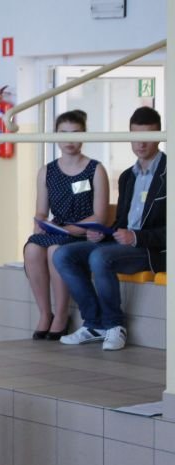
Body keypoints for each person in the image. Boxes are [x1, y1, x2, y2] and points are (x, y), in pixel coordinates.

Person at [53, 106, 166, 351]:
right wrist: (103, 232)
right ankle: (94, 324)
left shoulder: (170, 173)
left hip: (152, 249)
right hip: (122, 243)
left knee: (100, 257)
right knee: (63, 255)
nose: (141, 144)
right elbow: (123, 221)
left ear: (160, 136)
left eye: (148, 137)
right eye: (136, 137)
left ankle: (114, 325)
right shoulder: (127, 177)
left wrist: (136, 237)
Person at [24, 110, 109, 340]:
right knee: (32, 248)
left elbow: (99, 217)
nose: (69, 139)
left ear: (85, 135)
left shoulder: (95, 169)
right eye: (63, 133)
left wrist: (69, 229)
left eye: (75, 133)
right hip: (57, 229)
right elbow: (41, 211)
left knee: (55, 249)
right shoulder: (47, 171)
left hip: (83, 233)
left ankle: (61, 315)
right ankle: (45, 313)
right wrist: (39, 223)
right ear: (55, 135)